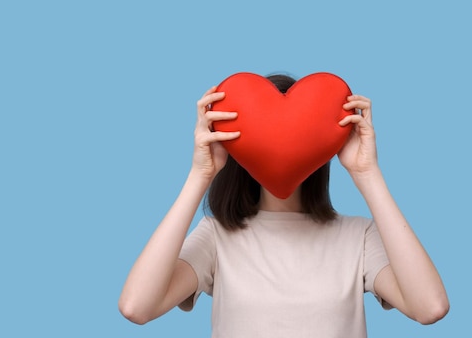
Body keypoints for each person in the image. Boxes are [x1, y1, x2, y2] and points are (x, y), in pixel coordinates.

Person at [118, 74, 449, 337]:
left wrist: (368, 173)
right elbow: (137, 307)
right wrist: (200, 174)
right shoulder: (217, 236)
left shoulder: (358, 237)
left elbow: (430, 308)